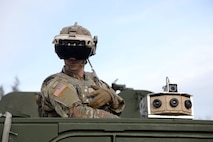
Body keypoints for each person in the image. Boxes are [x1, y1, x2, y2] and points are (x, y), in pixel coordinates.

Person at [40, 23, 125, 118]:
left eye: (79, 52)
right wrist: (116, 121)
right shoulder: (56, 84)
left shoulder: (95, 81)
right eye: (65, 51)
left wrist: (110, 96)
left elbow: (119, 107)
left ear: (89, 53)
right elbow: (76, 113)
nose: (72, 58)